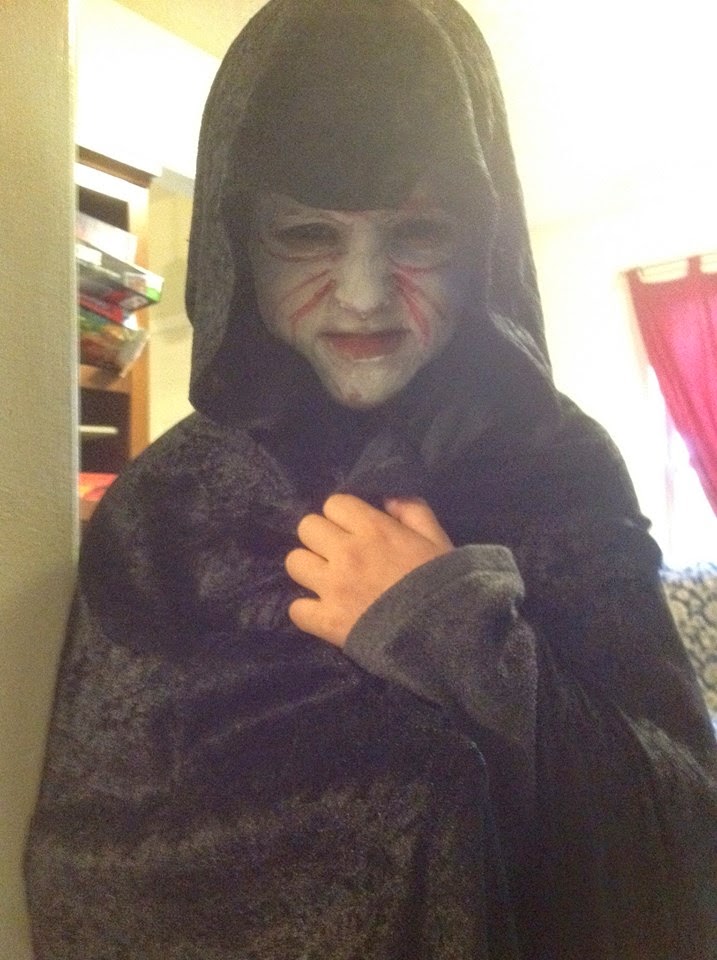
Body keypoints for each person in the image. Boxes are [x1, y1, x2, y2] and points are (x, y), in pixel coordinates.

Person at [26, 1, 717, 957]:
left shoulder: (558, 464)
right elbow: (90, 873)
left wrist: (458, 638)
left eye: (419, 233)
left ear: (481, 246)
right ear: (238, 244)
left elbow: (682, 833)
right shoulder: (164, 507)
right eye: (306, 235)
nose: (361, 293)